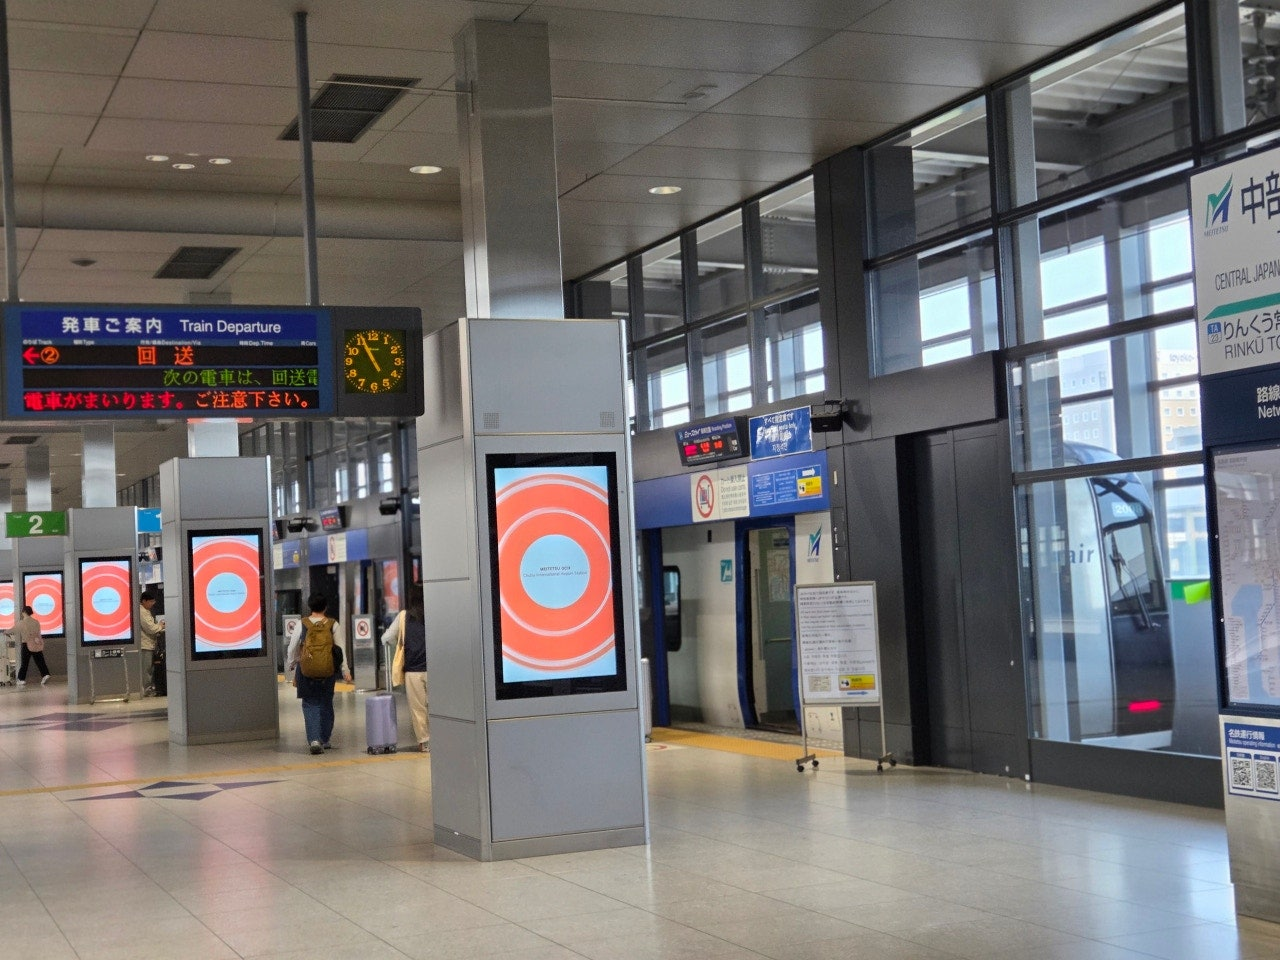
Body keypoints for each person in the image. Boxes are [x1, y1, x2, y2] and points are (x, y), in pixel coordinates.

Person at [285, 593, 350, 754]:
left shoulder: (302, 624)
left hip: (306, 670)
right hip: (327, 671)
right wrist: (345, 670)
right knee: (326, 703)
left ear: (310, 607)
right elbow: (340, 650)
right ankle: (325, 739)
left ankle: (314, 740)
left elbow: (292, 647)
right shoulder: (332, 624)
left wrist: (291, 662)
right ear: (325, 607)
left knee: (310, 704)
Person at [382, 587, 428, 751]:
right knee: (438, 708)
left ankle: (424, 742)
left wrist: (399, 644)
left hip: (413, 669)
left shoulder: (403, 616)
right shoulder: (436, 612)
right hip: (436, 669)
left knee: (418, 709)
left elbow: (386, 638)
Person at [8, 605, 49, 687]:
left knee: (25, 663)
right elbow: (38, 633)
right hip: (36, 643)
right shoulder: (36, 622)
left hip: (26, 644)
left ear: (24, 612)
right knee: (40, 660)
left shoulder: (22, 622)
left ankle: (20, 679)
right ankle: (45, 674)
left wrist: (5, 632)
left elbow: (13, 630)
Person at [138, 589, 165, 697]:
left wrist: (159, 626)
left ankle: (148, 688)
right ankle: (146, 690)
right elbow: (151, 628)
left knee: (149, 668)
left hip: (149, 644)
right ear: (144, 601)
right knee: (146, 669)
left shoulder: (145, 611)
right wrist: (160, 626)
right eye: (151, 601)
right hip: (145, 645)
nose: (152, 604)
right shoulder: (142, 612)